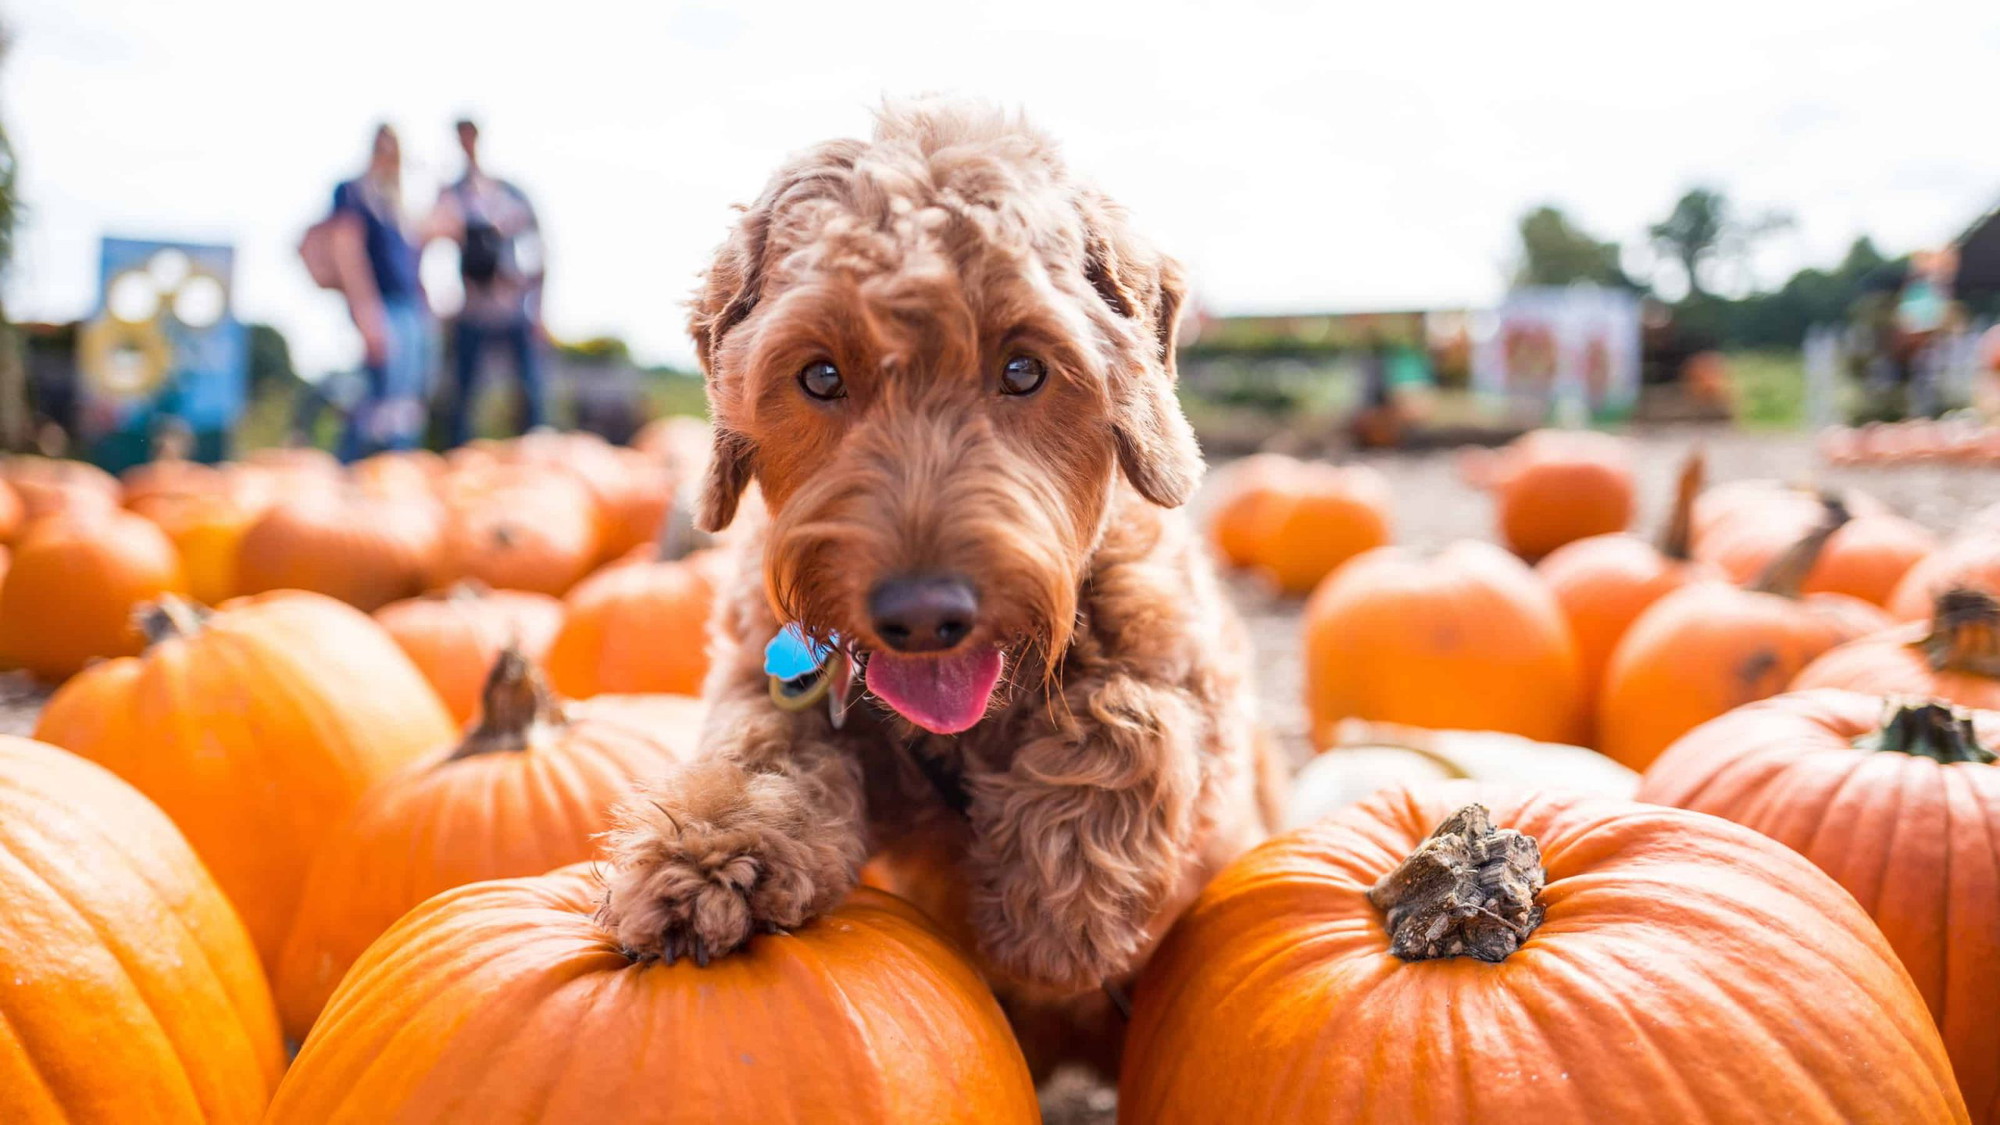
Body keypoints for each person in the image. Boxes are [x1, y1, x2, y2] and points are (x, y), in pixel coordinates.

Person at [428, 119, 546, 446]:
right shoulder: (451, 194)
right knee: (463, 396)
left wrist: (536, 305)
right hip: (473, 308)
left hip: (511, 306)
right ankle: (459, 456)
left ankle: (535, 453)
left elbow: (539, 249)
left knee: (529, 392)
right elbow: (429, 240)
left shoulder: (509, 193)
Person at [328, 124, 429, 459]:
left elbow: (412, 260)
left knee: (403, 404)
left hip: (408, 306)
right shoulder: (353, 192)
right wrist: (366, 312)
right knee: (376, 398)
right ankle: (354, 469)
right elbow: (348, 252)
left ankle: (395, 469)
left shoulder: (395, 200)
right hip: (381, 306)